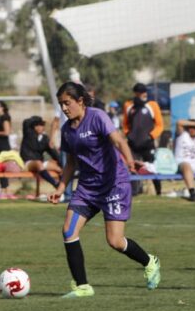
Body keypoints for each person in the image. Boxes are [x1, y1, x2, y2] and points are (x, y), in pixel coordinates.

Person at [50, 82, 161, 298]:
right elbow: (71, 163)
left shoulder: (97, 117)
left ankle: (149, 261)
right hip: (87, 188)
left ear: (80, 101)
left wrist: (129, 161)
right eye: (61, 104)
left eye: (67, 103)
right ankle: (83, 286)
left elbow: (118, 140)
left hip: (113, 185)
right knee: (68, 231)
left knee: (115, 241)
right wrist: (60, 188)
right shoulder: (67, 131)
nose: (64, 108)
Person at [123, 83, 164, 196]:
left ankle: (158, 191)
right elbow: (125, 124)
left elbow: (160, 125)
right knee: (133, 167)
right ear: (136, 93)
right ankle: (134, 191)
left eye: (145, 91)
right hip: (133, 144)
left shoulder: (152, 105)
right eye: (141, 92)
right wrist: (128, 135)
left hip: (147, 143)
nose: (144, 94)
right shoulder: (128, 105)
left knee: (151, 167)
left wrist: (151, 136)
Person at [20, 115, 62, 201]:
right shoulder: (28, 133)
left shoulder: (45, 138)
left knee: (59, 168)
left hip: (40, 163)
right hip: (28, 163)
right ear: (34, 126)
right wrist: (38, 119)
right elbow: (25, 121)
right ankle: (55, 184)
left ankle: (62, 191)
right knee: (39, 164)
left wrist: (61, 163)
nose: (40, 127)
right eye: (37, 125)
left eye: (41, 125)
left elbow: (53, 153)